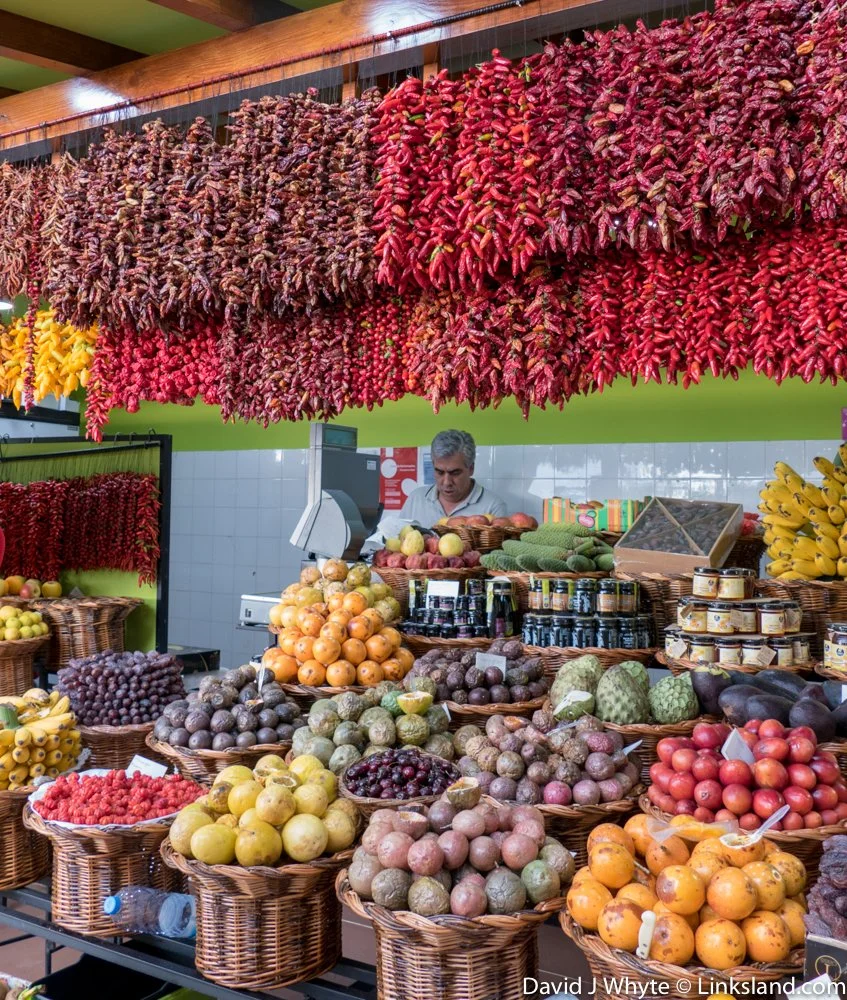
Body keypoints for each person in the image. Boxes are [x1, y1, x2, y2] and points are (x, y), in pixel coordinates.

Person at [399, 430, 507, 526]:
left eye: (455, 473)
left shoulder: (493, 507)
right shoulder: (415, 499)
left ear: (471, 468)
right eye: (440, 472)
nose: (447, 482)